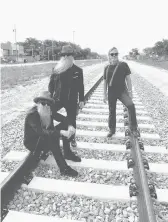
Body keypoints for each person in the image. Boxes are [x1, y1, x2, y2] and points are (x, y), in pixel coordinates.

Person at [24, 91, 81, 177]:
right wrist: (61, 132)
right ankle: (64, 168)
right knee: (52, 138)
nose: (46, 106)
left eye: (48, 104)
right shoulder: (32, 115)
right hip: (33, 143)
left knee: (64, 126)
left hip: (44, 138)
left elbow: (63, 118)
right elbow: (41, 132)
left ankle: (67, 153)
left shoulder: (48, 110)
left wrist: (69, 126)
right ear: (38, 103)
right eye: (43, 103)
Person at [48, 45, 84, 147]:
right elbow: (51, 85)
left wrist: (81, 99)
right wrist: (50, 96)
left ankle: (72, 139)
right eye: (64, 55)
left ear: (72, 56)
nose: (66, 57)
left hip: (71, 100)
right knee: (49, 112)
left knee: (72, 119)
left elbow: (81, 86)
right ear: (62, 56)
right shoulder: (56, 69)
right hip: (58, 99)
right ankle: (52, 132)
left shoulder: (78, 70)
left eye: (69, 55)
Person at [103, 47, 139, 137]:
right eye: (112, 54)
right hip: (111, 92)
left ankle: (133, 128)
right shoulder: (106, 67)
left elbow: (128, 79)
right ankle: (112, 130)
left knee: (131, 105)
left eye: (116, 54)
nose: (114, 56)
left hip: (122, 91)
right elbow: (104, 82)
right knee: (112, 111)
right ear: (109, 56)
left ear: (118, 55)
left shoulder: (123, 65)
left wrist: (130, 91)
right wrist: (104, 94)